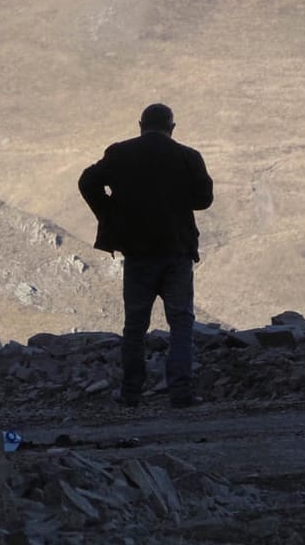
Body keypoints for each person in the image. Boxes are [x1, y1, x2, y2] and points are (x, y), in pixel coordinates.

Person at [78, 102, 213, 408]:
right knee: (181, 322)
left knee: (135, 325)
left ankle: (131, 394)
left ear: (140, 125)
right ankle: (181, 393)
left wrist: (109, 212)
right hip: (176, 250)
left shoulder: (120, 153)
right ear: (172, 128)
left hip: (137, 252)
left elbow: (87, 182)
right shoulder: (188, 156)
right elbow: (204, 199)